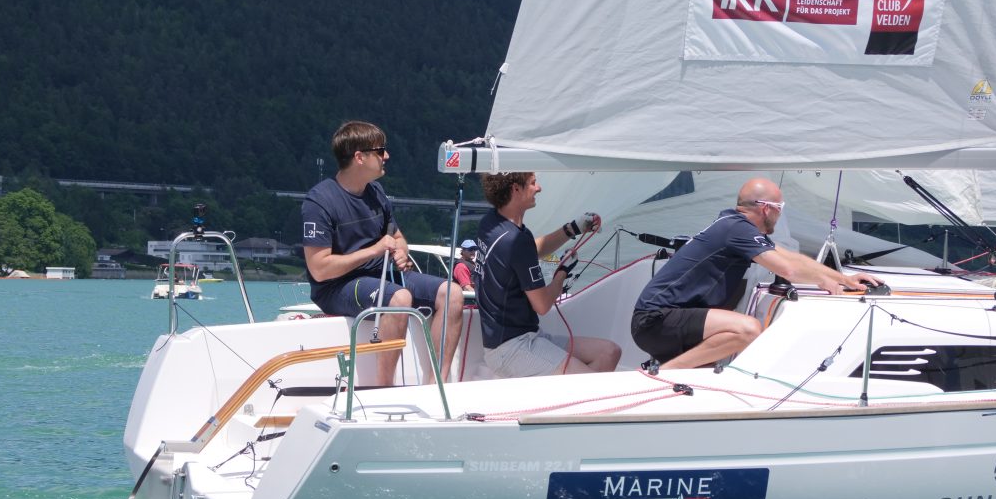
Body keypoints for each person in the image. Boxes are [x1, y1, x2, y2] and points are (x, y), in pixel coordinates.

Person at [630, 177, 882, 370]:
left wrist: (842, 278)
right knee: (748, 330)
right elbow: (789, 269)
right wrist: (824, 280)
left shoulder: (735, 227)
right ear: (765, 209)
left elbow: (789, 257)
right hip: (656, 321)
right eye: (780, 207)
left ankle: (668, 378)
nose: (781, 213)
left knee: (708, 368)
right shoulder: (736, 229)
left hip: (664, 319)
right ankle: (664, 374)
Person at [301, 120, 463, 385]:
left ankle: (436, 385)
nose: (386, 156)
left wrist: (401, 250)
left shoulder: (376, 192)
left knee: (452, 292)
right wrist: (373, 250)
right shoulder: (320, 201)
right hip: (337, 285)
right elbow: (319, 269)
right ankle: (384, 388)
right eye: (380, 151)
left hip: (380, 274)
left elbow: (396, 236)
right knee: (399, 298)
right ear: (359, 157)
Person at [475, 171, 621, 377]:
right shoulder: (516, 240)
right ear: (516, 189)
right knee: (589, 384)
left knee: (610, 353)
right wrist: (562, 272)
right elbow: (542, 305)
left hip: (522, 339)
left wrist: (572, 229)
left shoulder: (491, 222)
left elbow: (529, 252)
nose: (539, 188)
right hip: (511, 349)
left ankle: (572, 406)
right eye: (533, 183)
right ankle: (576, 404)